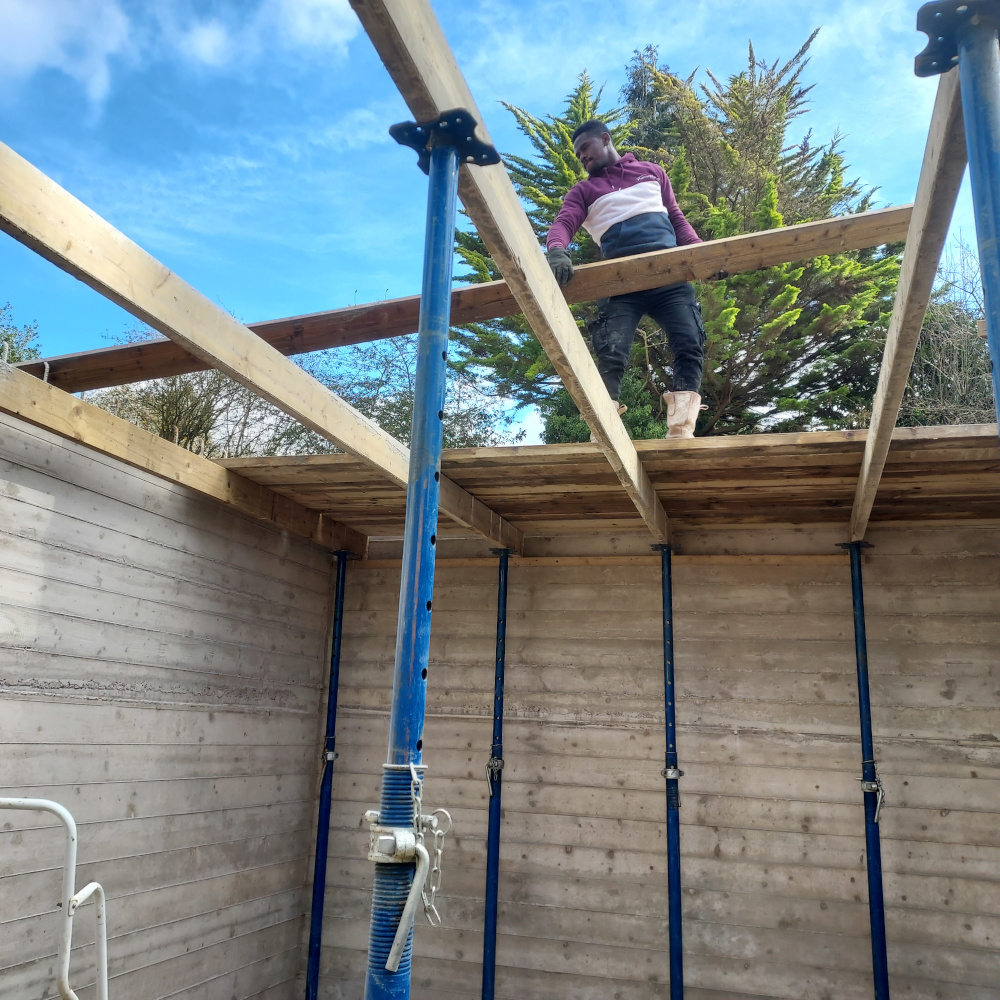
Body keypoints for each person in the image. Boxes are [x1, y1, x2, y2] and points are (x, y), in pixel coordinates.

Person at [546, 119, 706, 439]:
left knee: (690, 340)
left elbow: (676, 218)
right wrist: (557, 250)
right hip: (620, 282)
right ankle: (602, 428)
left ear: (605, 140)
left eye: (585, 148)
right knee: (611, 351)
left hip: (668, 274)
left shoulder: (651, 172)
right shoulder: (584, 191)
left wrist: (705, 254)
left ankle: (681, 426)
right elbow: (563, 224)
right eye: (577, 154)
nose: (581, 157)